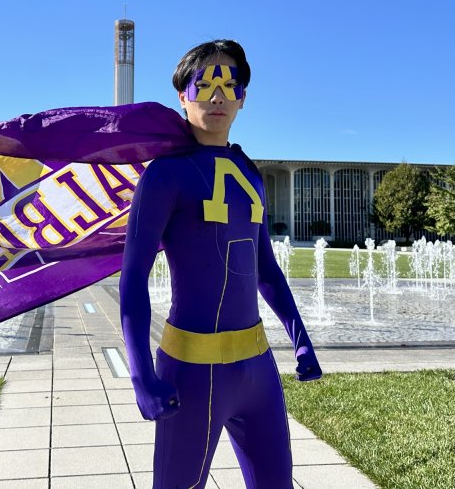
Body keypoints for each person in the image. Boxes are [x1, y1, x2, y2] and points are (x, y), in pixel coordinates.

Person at [119, 39, 323, 488]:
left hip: (258, 369)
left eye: (229, 85)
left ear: (243, 98)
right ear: (183, 96)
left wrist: (300, 337)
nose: (217, 96)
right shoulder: (164, 175)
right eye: (204, 84)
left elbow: (265, 268)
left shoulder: (249, 172)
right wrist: (140, 374)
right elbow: (132, 278)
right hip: (191, 370)